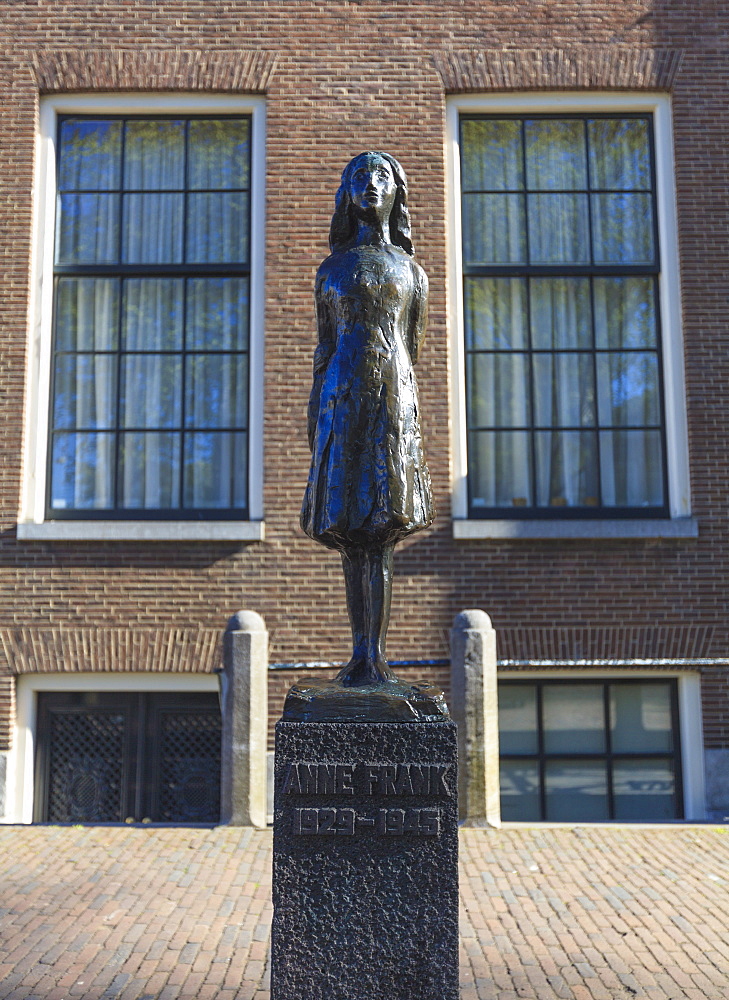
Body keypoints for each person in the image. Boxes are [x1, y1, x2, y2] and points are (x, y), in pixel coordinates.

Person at [301, 151, 435, 687]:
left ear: (397, 192)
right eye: (359, 176)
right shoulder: (330, 271)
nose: (370, 185)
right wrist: (316, 409)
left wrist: (403, 413)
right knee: (351, 527)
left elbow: (413, 348)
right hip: (341, 398)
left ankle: (376, 657)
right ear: (347, 194)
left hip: (391, 403)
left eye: (381, 176)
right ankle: (360, 652)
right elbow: (324, 345)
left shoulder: (412, 273)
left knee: (381, 529)